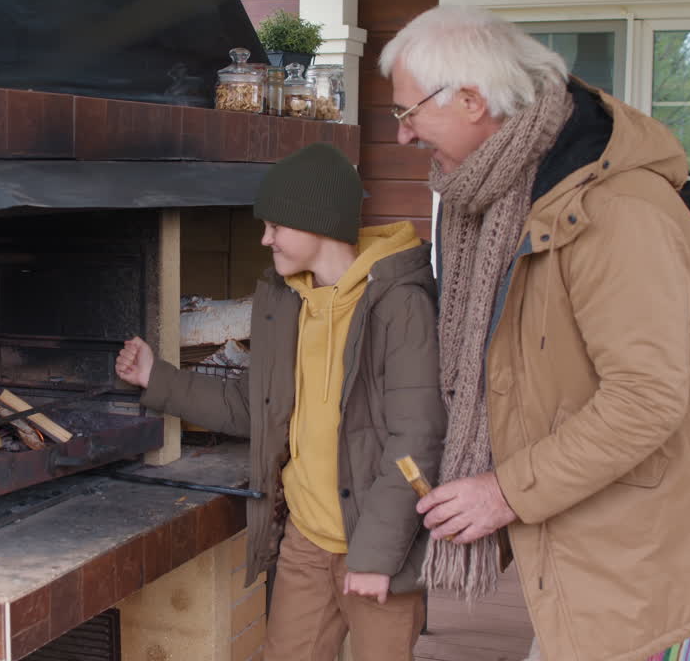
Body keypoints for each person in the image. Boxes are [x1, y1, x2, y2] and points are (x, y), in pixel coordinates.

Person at [378, 5, 690, 660]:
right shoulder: (508, 196)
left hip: (626, 535)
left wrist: (504, 491)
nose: (403, 136)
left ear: (469, 100)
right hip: (577, 519)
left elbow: (645, 399)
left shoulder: (617, 213)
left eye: (407, 114)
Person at [114, 142, 447, 661]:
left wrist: (377, 556)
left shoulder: (400, 305)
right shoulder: (287, 300)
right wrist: (158, 377)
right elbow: (256, 407)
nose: (265, 237)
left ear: (318, 223)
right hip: (306, 540)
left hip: (379, 544)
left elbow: (417, 439)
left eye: (275, 225)